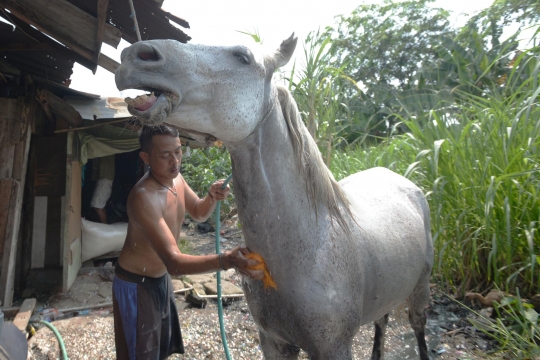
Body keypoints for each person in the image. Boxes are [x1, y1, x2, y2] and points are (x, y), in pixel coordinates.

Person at [112, 125, 263, 360]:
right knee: (138, 354)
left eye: (178, 151)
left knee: (159, 349)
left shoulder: (176, 179)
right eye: (165, 155)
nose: (175, 161)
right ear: (146, 157)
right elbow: (174, 263)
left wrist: (211, 197)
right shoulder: (144, 196)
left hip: (160, 279)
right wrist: (228, 260)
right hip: (136, 285)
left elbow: (198, 212)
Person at [90, 154, 115, 224]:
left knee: (97, 206)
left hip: (105, 178)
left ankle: (105, 227)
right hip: (105, 177)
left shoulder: (106, 148)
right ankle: (105, 227)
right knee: (100, 206)